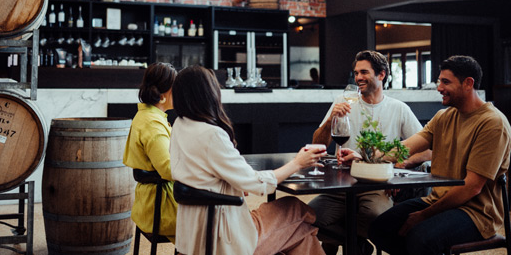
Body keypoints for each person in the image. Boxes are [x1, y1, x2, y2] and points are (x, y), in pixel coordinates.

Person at [170, 65, 327, 255]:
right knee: (295, 209)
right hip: (222, 236)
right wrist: (298, 163)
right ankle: (330, 231)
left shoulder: (179, 125)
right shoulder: (212, 134)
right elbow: (257, 184)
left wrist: (234, 184)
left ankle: (319, 231)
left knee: (302, 232)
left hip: (194, 235)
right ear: (208, 93)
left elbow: (202, 171)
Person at [367, 55, 511, 255]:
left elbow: (472, 188)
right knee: (379, 228)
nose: (438, 87)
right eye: (439, 81)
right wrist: (366, 156)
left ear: (468, 83)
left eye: (446, 82)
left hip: (476, 213)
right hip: (437, 201)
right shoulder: (444, 116)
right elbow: (406, 147)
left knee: (420, 238)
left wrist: (423, 215)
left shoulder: (492, 123)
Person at [308, 50, 430, 255]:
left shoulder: (398, 108)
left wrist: (396, 166)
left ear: (381, 75)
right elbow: (317, 145)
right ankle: (356, 244)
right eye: (356, 73)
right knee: (308, 219)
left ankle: (342, 240)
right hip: (340, 183)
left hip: (377, 185)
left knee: (378, 218)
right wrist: (331, 120)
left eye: (364, 72)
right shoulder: (343, 101)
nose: (358, 78)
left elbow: (428, 151)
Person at [123, 62, 178, 242]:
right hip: (162, 207)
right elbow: (169, 170)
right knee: (217, 218)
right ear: (162, 95)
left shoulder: (148, 115)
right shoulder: (153, 124)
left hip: (152, 201)